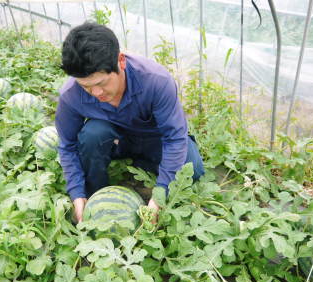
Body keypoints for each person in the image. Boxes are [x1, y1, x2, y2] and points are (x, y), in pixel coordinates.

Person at [55, 22, 204, 223]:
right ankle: (95, 192)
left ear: (121, 61)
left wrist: (159, 196)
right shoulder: (70, 95)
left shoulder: (156, 81)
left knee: (192, 167)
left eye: (101, 83)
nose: (96, 93)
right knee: (93, 134)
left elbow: (174, 139)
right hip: (117, 141)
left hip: (154, 139)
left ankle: (145, 166)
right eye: (87, 87)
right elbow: (67, 146)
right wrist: (76, 193)